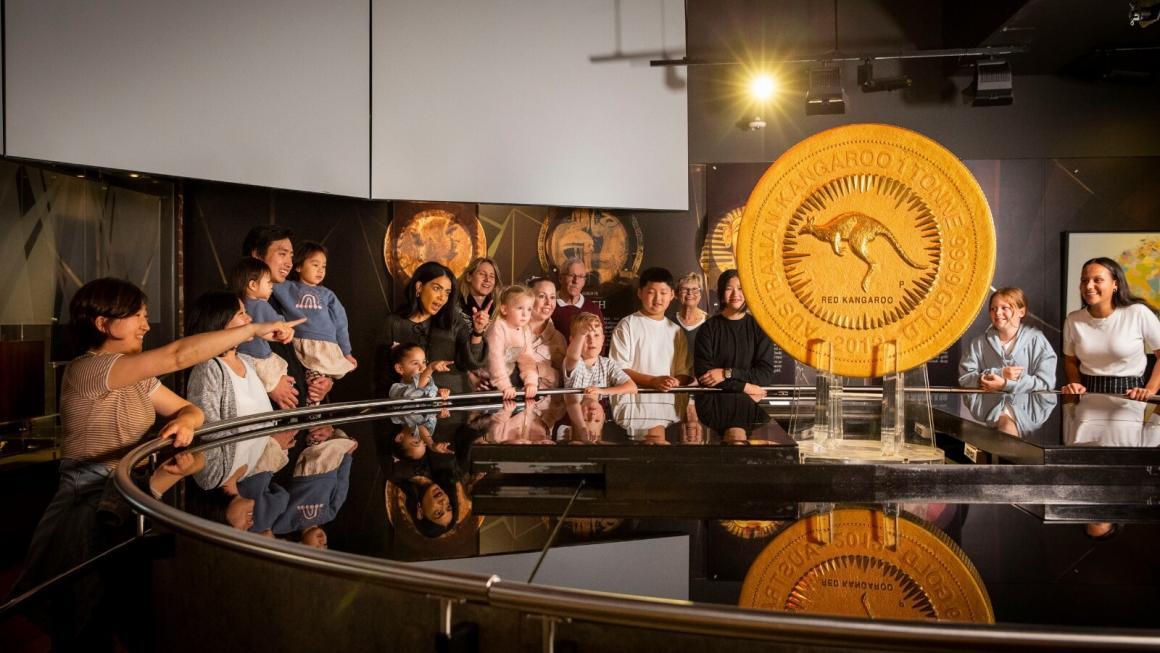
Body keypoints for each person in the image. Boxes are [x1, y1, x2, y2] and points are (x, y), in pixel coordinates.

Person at [12, 277, 299, 646]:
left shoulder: (136, 377)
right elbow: (177, 355)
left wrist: (184, 421)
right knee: (83, 620)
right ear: (103, 324)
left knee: (125, 611)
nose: (146, 326)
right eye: (137, 316)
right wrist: (256, 329)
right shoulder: (90, 369)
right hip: (86, 502)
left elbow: (190, 409)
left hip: (131, 494)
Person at [185, 290, 284, 490]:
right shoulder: (209, 367)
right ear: (219, 321)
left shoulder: (247, 362)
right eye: (241, 314)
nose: (250, 319)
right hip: (221, 482)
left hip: (245, 475)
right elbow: (208, 429)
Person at [243, 225, 333, 407]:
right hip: (263, 419)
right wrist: (269, 385)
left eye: (291, 256)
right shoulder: (232, 303)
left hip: (298, 415)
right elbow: (224, 355)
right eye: (282, 254)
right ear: (257, 256)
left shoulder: (287, 298)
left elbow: (307, 344)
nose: (289, 263)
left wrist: (324, 379)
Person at [376, 261, 489, 396]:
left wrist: (477, 331)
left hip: (450, 404)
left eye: (447, 292)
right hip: (410, 409)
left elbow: (472, 363)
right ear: (419, 287)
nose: (442, 297)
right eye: (437, 288)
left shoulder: (452, 321)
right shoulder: (393, 324)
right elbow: (381, 376)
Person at [1062, 257, 1160, 401]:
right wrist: (1074, 383)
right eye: (1084, 280)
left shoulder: (1138, 312)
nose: (1089, 286)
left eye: (1098, 280)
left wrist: (1150, 390)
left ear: (1115, 284)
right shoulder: (1073, 319)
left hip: (1130, 397)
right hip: (1087, 398)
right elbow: (1070, 360)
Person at [272, 241, 357, 404]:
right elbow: (267, 280)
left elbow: (341, 321)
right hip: (300, 343)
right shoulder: (287, 287)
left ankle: (314, 413)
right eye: (315, 264)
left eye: (323, 266)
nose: (320, 270)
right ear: (298, 267)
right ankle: (311, 413)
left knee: (318, 382)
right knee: (309, 380)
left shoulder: (327, 294)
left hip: (325, 345)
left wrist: (346, 351)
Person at [694, 269, 777, 403]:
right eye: (729, 289)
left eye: (740, 288)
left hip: (752, 402)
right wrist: (744, 387)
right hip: (715, 404)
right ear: (721, 294)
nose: (735, 294)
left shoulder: (759, 328)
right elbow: (705, 376)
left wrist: (726, 373)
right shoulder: (708, 328)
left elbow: (765, 375)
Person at [958, 287, 1057, 393]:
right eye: (993, 309)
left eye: (1004, 308)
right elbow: (965, 379)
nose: (998, 313)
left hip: (1025, 409)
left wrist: (1005, 385)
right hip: (988, 409)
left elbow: (1046, 383)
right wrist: (999, 373)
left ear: (1021, 312)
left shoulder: (1037, 341)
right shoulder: (978, 344)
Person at [609, 267, 692, 392]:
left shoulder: (676, 331)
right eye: (651, 292)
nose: (657, 299)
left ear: (672, 295)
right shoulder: (627, 325)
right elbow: (618, 368)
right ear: (640, 293)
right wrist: (652, 381)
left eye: (663, 293)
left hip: (669, 405)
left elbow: (683, 370)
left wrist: (676, 381)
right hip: (634, 404)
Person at [232, 257, 290, 394]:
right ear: (253, 285)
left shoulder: (235, 305)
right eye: (268, 282)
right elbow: (281, 324)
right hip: (260, 358)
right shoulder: (262, 305)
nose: (271, 286)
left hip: (240, 357)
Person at [388, 342, 452, 445]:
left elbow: (428, 395)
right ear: (400, 368)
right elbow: (413, 395)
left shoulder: (429, 381)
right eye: (415, 363)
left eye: (424, 362)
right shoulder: (396, 389)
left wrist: (440, 395)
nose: (423, 368)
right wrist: (430, 368)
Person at [485, 284, 539, 400]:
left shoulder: (525, 330)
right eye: (520, 308)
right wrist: (504, 385)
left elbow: (527, 359)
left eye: (529, 309)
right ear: (504, 309)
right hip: (485, 380)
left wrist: (531, 382)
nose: (525, 314)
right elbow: (495, 359)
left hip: (505, 381)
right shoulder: (498, 327)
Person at [563, 312, 636, 397]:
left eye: (596, 335)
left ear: (603, 339)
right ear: (572, 341)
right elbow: (573, 356)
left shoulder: (607, 364)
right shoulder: (573, 363)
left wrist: (602, 391)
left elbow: (632, 387)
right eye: (586, 336)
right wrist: (581, 334)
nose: (592, 341)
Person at [527, 277, 567, 389]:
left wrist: (543, 370)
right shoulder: (509, 330)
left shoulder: (558, 339)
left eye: (553, 297)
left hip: (548, 405)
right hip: (510, 403)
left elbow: (564, 381)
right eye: (542, 296)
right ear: (528, 298)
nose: (549, 303)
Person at [551, 257, 605, 340]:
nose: (576, 281)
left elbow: (600, 343)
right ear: (561, 278)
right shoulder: (548, 306)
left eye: (580, 276)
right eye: (572, 275)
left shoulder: (593, 309)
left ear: (584, 281)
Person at [456, 256, 500, 332]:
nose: (487, 279)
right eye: (482, 274)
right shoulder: (454, 304)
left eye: (492, 276)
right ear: (469, 277)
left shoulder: (499, 308)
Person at [674, 272, 708, 351]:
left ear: (700, 294)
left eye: (695, 289)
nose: (690, 293)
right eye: (684, 289)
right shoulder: (669, 321)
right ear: (677, 294)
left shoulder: (709, 322)